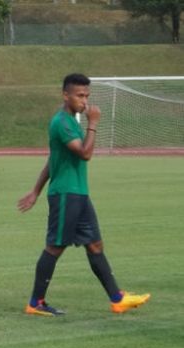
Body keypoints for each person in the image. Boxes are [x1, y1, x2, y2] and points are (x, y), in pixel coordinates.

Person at [17, 73, 150, 316]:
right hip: (66, 194)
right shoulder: (63, 123)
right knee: (55, 247)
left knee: (95, 244)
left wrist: (35, 191)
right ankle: (35, 302)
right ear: (65, 95)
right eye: (80, 95)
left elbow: (53, 161)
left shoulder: (71, 121)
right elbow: (85, 154)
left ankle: (117, 299)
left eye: (87, 96)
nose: (85, 101)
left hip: (78, 193)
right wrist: (94, 123)